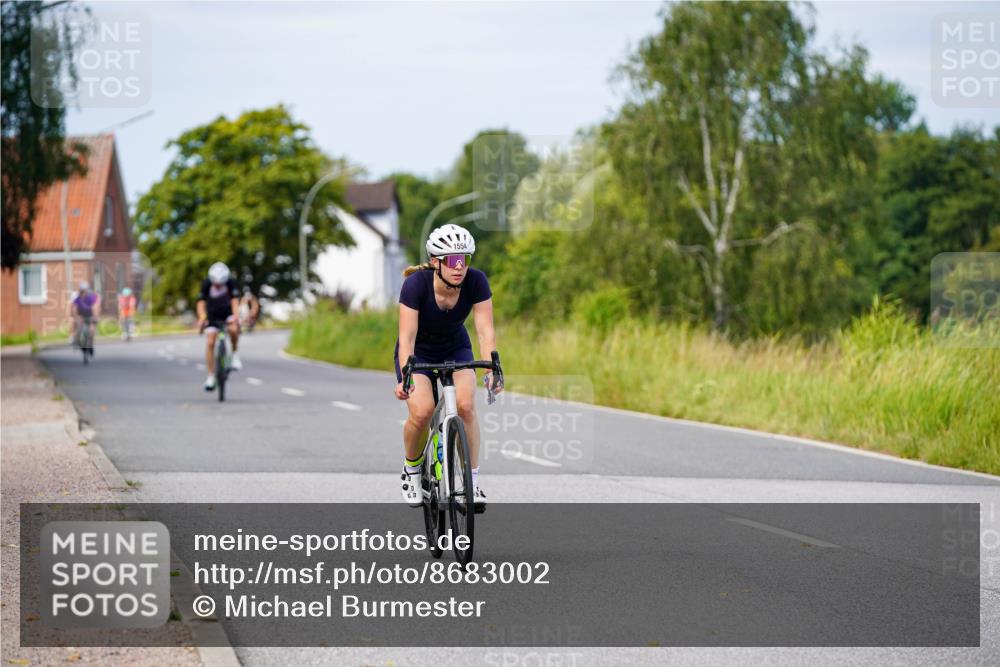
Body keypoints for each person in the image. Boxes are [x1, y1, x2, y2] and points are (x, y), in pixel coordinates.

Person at [394, 224, 502, 509]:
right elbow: (406, 336)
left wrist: (492, 368)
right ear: (435, 262)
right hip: (418, 352)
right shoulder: (415, 285)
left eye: (464, 260)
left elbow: (485, 330)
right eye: (452, 261)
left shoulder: (476, 282)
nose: (459, 267)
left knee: (466, 406)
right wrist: (406, 375)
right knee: (422, 411)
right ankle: (412, 470)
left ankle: (472, 484)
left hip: (455, 347)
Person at [196, 262, 242, 390]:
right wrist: (202, 317)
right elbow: (200, 303)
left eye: (221, 284)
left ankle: (234, 355)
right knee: (210, 342)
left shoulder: (230, 283)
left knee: (233, 330)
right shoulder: (206, 284)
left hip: (227, 313)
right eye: (216, 283)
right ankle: (211, 376)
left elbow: (234, 301)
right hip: (212, 315)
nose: (218, 285)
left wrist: (236, 317)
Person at [70, 281, 100, 349]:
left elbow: (94, 307)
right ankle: (77, 340)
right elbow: (74, 308)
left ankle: (90, 343)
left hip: (90, 314)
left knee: (91, 329)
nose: (83, 293)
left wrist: (95, 316)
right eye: (82, 291)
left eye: (85, 291)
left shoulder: (90, 298)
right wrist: (76, 317)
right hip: (81, 315)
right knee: (79, 327)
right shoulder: (77, 299)